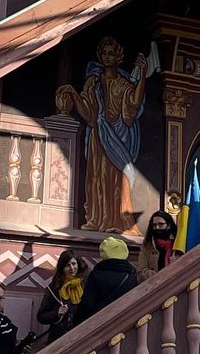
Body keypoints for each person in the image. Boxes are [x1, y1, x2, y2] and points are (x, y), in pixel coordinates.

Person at [54, 36, 147, 234]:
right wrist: (73, 93)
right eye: (104, 53)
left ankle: (119, 221)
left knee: (119, 182)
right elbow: (88, 114)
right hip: (99, 137)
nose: (107, 56)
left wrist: (143, 76)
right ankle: (98, 219)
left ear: (118, 56)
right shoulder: (93, 83)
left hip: (118, 138)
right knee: (97, 179)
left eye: (111, 53)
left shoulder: (123, 84)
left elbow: (133, 106)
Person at [75, 237, 138, 324]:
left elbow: (87, 305)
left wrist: (77, 322)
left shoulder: (96, 275)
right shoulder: (131, 276)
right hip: (123, 323)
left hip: (99, 324)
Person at [37, 250, 89, 342]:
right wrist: (56, 313)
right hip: (59, 338)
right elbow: (41, 316)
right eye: (67, 265)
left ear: (78, 264)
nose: (71, 268)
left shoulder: (85, 285)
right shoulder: (55, 287)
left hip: (80, 337)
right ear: (62, 268)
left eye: (73, 264)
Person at [136, 210, 177, 281]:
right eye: (154, 225)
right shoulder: (147, 245)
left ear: (168, 225)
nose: (157, 227)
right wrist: (159, 276)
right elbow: (140, 271)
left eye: (161, 224)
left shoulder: (177, 243)